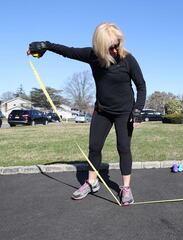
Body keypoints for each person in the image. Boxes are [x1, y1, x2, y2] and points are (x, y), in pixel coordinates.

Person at [27, 22, 146, 205]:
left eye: (118, 44)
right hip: (102, 111)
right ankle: (92, 182)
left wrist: (137, 110)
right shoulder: (93, 56)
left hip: (124, 112)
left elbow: (141, 86)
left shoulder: (128, 59)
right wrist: (46, 46)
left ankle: (126, 188)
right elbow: (68, 51)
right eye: (111, 46)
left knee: (123, 147)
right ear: (100, 47)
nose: (115, 49)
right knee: (94, 147)